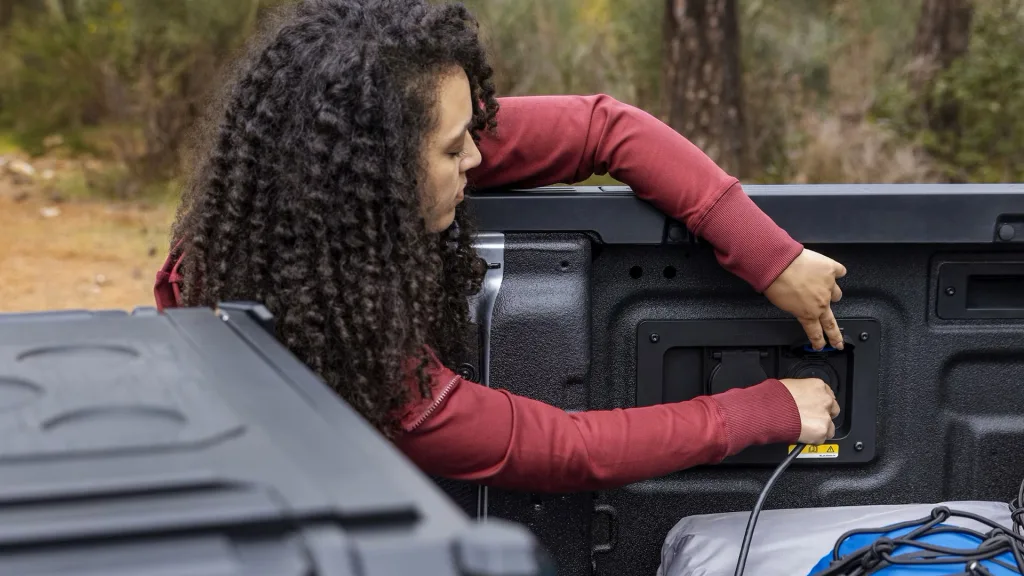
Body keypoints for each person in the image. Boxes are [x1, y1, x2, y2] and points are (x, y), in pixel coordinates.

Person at [154, 0, 845, 493]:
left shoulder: (354, 155)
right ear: (375, 172)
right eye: (455, 148)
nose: (481, 157)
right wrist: (758, 411)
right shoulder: (350, 364)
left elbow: (605, 129)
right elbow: (566, 449)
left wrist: (771, 256)